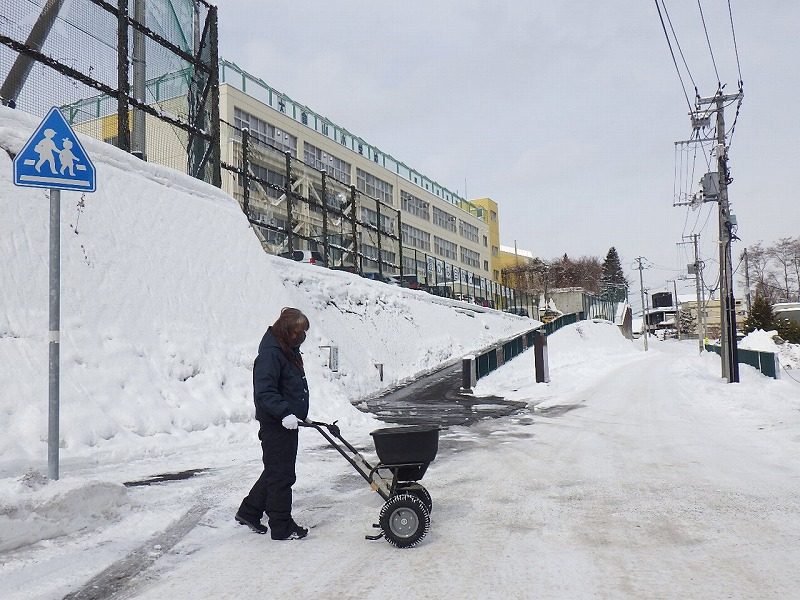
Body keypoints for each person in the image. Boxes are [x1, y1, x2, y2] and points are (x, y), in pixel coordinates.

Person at [236, 307, 310, 540]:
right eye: (298, 331)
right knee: (282, 476)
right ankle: (281, 527)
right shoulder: (271, 353)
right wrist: (285, 413)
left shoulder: (287, 348)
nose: (302, 336)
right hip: (276, 424)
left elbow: (287, 386)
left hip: (286, 420)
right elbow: (265, 392)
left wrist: (297, 413)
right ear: (287, 330)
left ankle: (249, 511)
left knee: (275, 471)